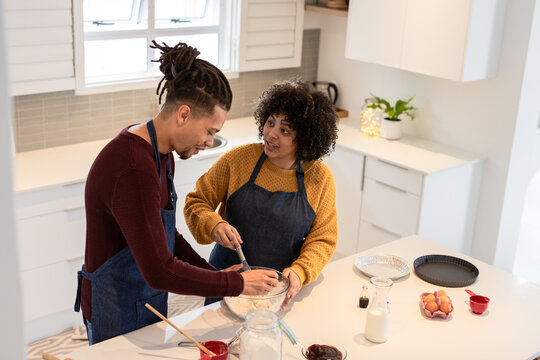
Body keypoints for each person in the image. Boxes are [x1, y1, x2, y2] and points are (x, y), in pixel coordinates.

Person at [74, 41, 278, 345]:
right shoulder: (132, 168)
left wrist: (215, 275)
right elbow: (159, 269)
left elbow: (166, 239)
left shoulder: (161, 151)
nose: (210, 142)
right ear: (183, 114)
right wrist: (233, 283)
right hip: (115, 305)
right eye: (210, 131)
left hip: (144, 296)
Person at [184, 78, 339, 309]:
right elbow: (196, 202)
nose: (271, 134)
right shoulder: (238, 160)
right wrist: (214, 224)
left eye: (284, 130)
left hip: (277, 293)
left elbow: (323, 239)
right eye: (270, 122)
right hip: (228, 283)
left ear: (305, 139)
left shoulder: (319, 178)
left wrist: (299, 272)